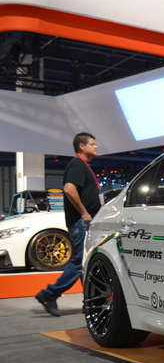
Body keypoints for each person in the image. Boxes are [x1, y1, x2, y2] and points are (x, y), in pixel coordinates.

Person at [35, 133, 100, 317]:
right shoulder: (77, 164)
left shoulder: (81, 165)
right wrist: (84, 212)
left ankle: (91, 302)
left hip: (83, 222)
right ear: (81, 146)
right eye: (92, 144)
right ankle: (49, 294)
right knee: (80, 262)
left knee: (85, 263)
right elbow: (69, 189)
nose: (96, 147)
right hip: (81, 222)